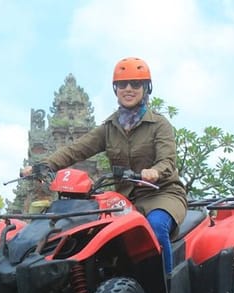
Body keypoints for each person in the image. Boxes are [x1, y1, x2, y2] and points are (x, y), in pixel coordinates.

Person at [22, 57, 187, 275]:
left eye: (135, 84)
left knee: (156, 227)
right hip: (125, 200)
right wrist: (43, 166)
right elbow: (77, 149)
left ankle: (166, 289)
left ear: (146, 88)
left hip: (162, 194)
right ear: (115, 89)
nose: (128, 89)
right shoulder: (109, 127)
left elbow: (167, 160)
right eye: (122, 84)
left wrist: (155, 171)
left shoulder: (159, 124)